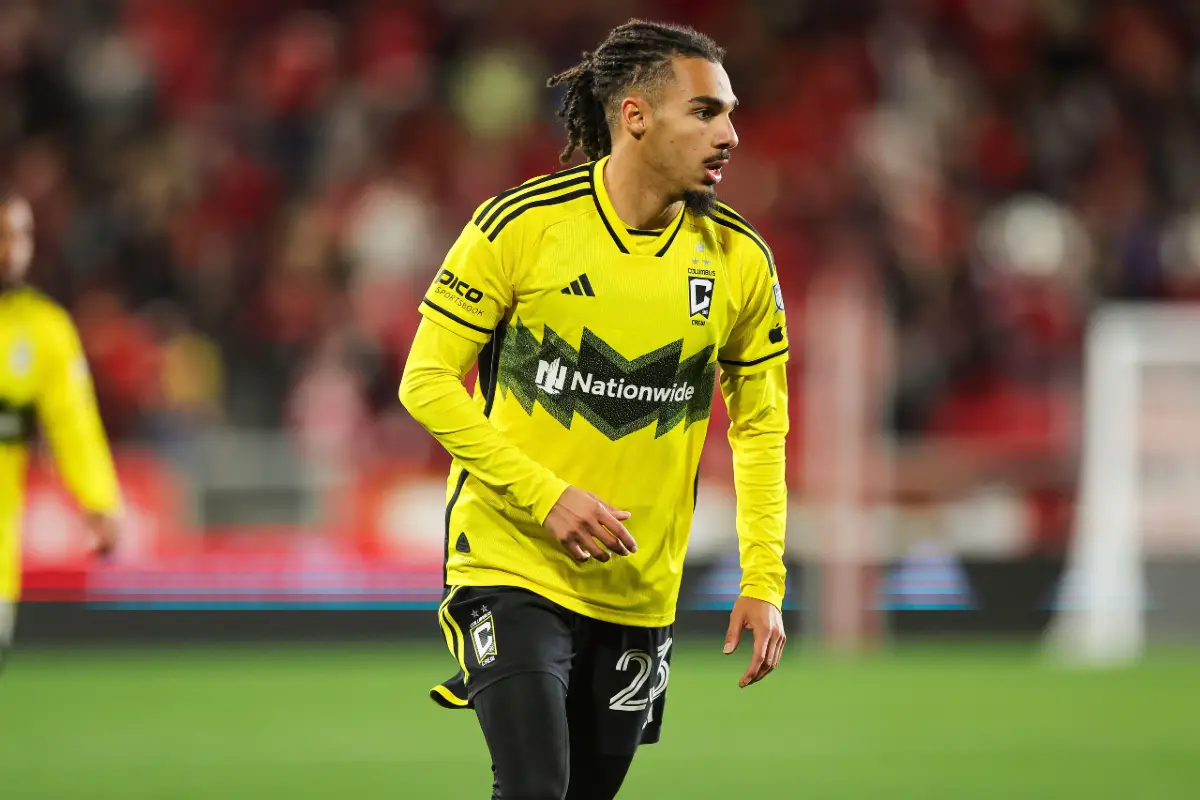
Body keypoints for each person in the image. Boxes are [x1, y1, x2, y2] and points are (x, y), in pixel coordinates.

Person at [399, 19, 788, 799]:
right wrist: (545, 496)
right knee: (534, 787)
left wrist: (764, 578)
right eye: (705, 112)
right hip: (512, 558)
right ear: (635, 116)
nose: (730, 135)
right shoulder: (521, 226)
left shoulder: (740, 260)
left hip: (638, 586)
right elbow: (427, 380)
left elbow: (760, 426)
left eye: (730, 113)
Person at [0, 190, 121, 669]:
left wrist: (99, 501)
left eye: (20, 235)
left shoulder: (45, 329)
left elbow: (75, 424)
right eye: (1, 235)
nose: (11, 248)